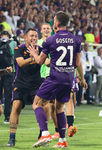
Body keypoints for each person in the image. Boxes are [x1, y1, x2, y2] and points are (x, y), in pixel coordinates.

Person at [27, 11, 84, 148]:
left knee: (37, 103)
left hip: (54, 77)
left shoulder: (50, 40)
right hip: (69, 78)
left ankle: (45, 133)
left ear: (56, 24)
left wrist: (34, 54)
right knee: (59, 108)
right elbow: (77, 63)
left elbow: (40, 62)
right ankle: (62, 141)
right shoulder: (76, 40)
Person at [6, 28, 43, 147]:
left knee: (43, 107)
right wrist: (33, 57)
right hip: (21, 84)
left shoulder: (41, 50)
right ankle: (12, 138)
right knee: (16, 106)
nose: (34, 38)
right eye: (31, 36)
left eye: (35, 36)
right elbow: (21, 63)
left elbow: (45, 62)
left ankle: (42, 135)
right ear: (25, 37)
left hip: (36, 84)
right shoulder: (19, 49)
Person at [0, 31, 17, 124]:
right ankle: (7, 116)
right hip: (9, 71)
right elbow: (14, 56)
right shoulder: (13, 43)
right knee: (8, 94)